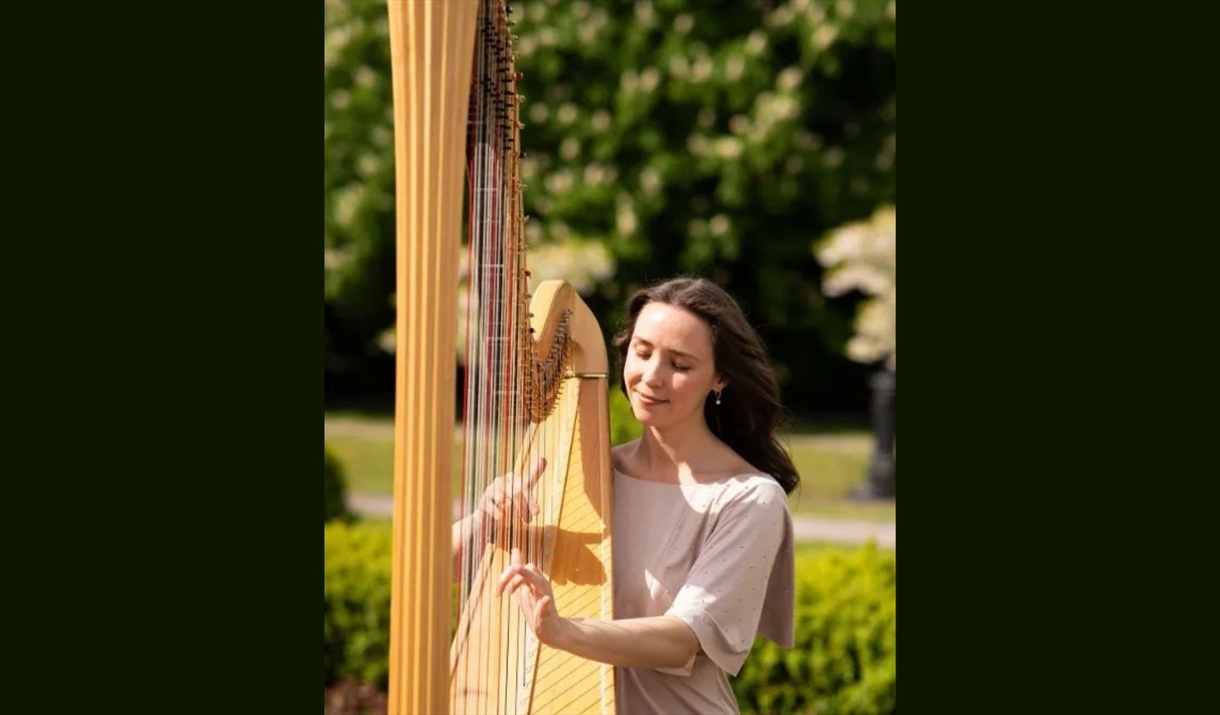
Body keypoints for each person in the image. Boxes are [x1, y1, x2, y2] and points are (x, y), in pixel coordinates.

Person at [469, 276, 798, 715]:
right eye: (642, 353)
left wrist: (566, 631)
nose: (651, 377)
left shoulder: (749, 499)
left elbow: (681, 640)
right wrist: (488, 519)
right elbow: (436, 570)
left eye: (679, 365)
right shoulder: (583, 474)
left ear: (719, 378)